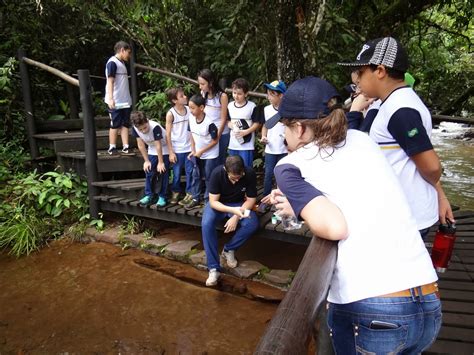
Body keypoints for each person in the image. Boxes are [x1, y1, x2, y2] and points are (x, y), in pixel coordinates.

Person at [265, 76, 441, 354]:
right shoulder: (363, 140)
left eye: (284, 128)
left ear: (299, 128)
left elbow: (335, 227)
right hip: (427, 300)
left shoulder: (289, 167)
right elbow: (349, 186)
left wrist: (300, 207)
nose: (281, 136)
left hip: (375, 311)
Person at [338, 37, 454, 237]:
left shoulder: (400, 109)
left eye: (361, 72)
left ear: (380, 71)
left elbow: (432, 167)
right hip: (401, 212)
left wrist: (437, 193)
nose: (356, 79)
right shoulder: (391, 102)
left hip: (405, 217)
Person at [202, 155, 259, 286]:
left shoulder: (249, 173)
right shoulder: (217, 174)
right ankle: (213, 268)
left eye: (239, 177)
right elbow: (213, 202)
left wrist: (236, 216)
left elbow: (251, 200)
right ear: (225, 170)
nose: (236, 181)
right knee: (206, 224)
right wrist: (233, 211)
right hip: (219, 204)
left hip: (239, 204)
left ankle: (229, 249)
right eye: (233, 178)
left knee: (252, 224)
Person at [258, 80, 287, 213]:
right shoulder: (267, 109)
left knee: (283, 175)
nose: (268, 97)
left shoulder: (288, 110)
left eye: (272, 94)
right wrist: (264, 137)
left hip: (285, 149)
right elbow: (265, 126)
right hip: (270, 148)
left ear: (281, 95)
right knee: (268, 174)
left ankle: (281, 201)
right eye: (268, 94)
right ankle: (265, 199)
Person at [186, 94, 219, 210]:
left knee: (209, 176)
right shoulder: (190, 118)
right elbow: (191, 135)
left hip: (210, 154)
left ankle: (207, 200)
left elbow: (215, 141)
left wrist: (202, 151)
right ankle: (195, 198)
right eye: (189, 107)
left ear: (201, 108)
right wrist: (193, 150)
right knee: (196, 175)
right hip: (198, 153)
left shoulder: (209, 123)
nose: (191, 110)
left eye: (193, 108)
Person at [131, 111, 168, 207]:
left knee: (162, 171)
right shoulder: (135, 128)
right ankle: (149, 195)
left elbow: (158, 145)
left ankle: (162, 196)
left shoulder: (155, 127)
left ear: (147, 121)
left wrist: (160, 162)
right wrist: (146, 161)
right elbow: (140, 145)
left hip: (164, 148)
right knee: (149, 170)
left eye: (145, 127)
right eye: (141, 129)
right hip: (151, 148)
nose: (143, 131)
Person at [165, 87, 193, 205]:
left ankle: (189, 193)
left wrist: (193, 147)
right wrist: (171, 152)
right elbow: (168, 134)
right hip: (177, 149)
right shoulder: (171, 114)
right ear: (174, 100)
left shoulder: (189, 110)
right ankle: (175, 192)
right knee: (176, 174)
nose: (185, 97)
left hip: (189, 148)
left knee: (190, 172)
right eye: (181, 96)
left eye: (184, 95)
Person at [104, 41, 132, 155]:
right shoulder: (112, 62)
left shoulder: (122, 63)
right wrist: (111, 98)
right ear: (122, 50)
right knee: (115, 123)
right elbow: (110, 81)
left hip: (125, 99)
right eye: (128, 52)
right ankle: (112, 147)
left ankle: (126, 146)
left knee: (125, 123)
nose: (129, 55)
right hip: (115, 100)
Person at [227, 78, 261, 167]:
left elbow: (256, 123)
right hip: (233, 143)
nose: (236, 96)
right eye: (234, 93)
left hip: (247, 144)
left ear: (246, 94)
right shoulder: (230, 106)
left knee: (246, 168)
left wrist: (246, 132)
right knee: (232, 168)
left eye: (239, 94)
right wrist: (233, 126)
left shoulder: (252, 106)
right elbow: (227, 121)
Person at [198, 69, 229, 165]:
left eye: (203, 84)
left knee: (219, 160)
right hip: (208, 131)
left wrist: (217, 137)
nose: (200, 87)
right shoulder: (203, 94)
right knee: (209, 161)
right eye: (199, 84)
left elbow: (224, 119)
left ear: (211, 83)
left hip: (221, 132)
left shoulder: (222, 96)